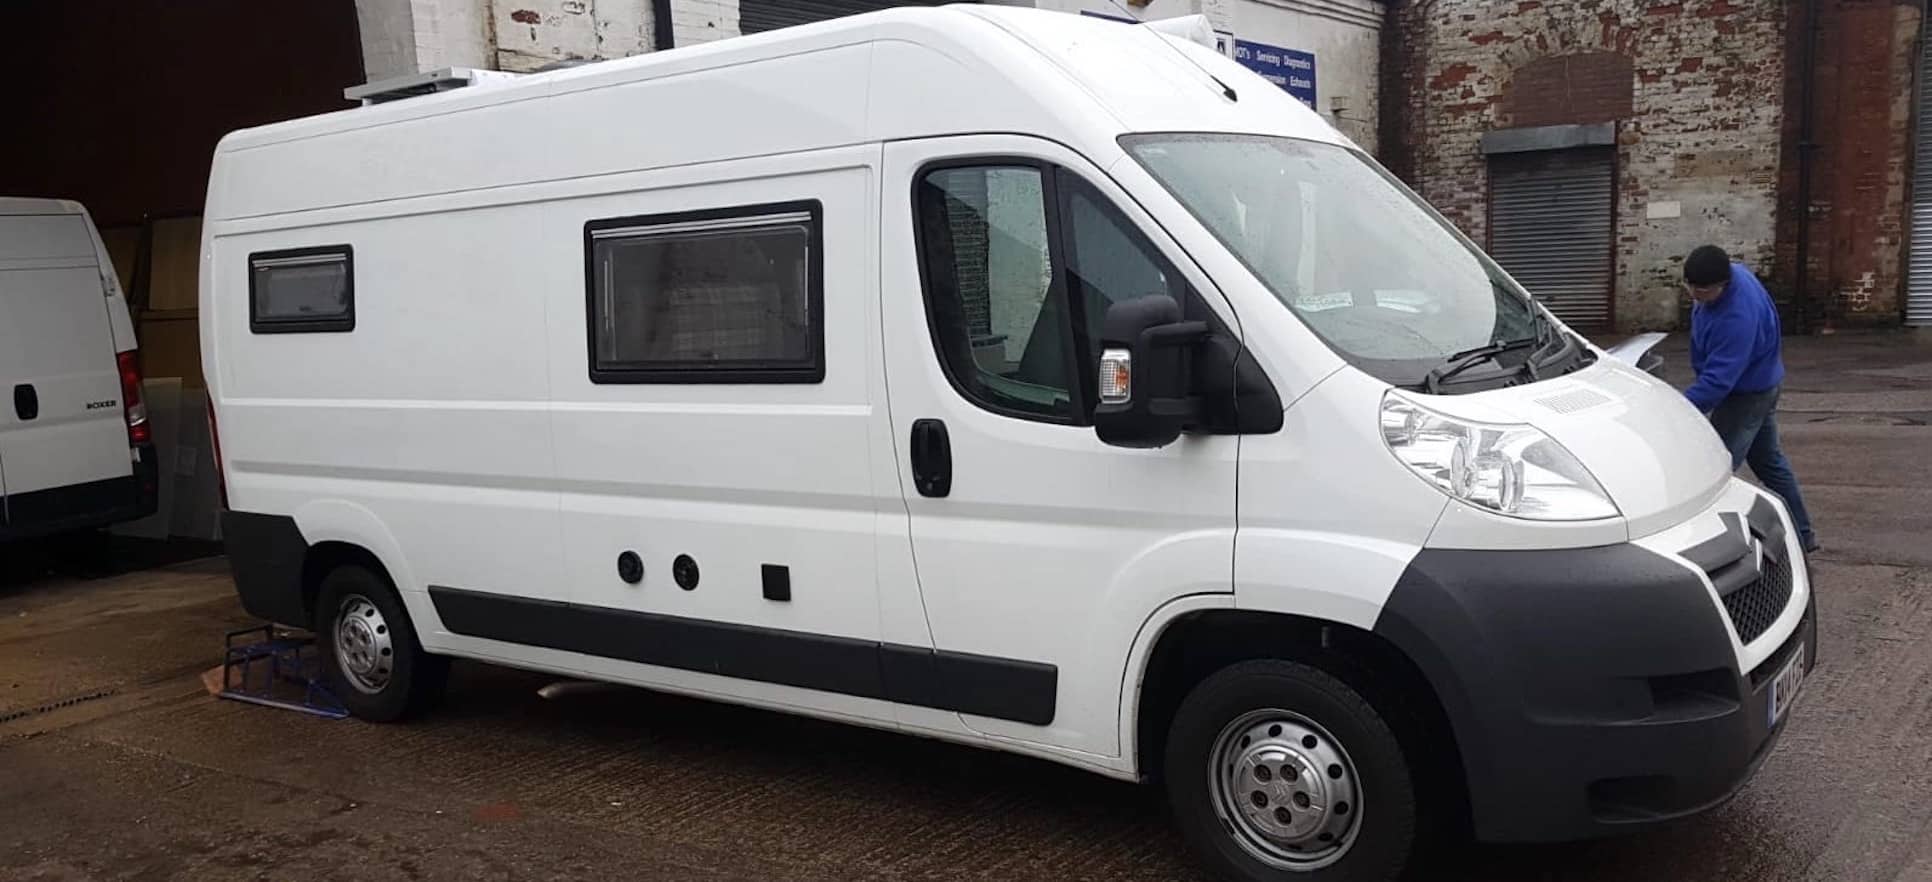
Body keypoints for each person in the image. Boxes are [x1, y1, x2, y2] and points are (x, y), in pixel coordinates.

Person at [1682, 245, 1819, 553]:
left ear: (1723, 285)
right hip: (1762, 382)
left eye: (1703, 291)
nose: (1695, 296)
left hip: (1746, 396)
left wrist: (1679, 409)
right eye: (1690, 287)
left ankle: (1709, 547)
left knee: (1714, 469)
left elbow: (1718, 381)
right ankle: (1802, 532)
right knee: (1769, 461)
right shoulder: (1734, 274)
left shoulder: (1736, 318)